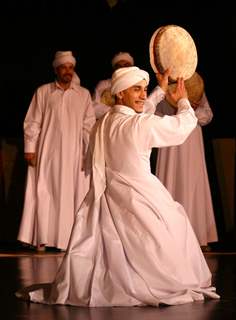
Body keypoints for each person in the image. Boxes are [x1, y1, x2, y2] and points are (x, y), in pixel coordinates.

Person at [16, 66, 219, 306]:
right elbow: (180, 127)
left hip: (111, 195)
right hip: (138, 193)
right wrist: (184, 102)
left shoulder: (106, 122)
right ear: (120, 93)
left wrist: (159, 91)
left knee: (116, 245)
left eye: (144, 89)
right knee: (172, 227)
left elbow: (140, 115)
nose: (143, 95)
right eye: (137, 89)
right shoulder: (137, 124)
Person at [17, 51, 96, 251]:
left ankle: (66, 241)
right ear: (56, 69)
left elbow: (89, 126)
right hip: (48, 151)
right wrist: (30, 148)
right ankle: (42, 238)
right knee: (46, 191)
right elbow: (32, 121)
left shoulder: (83, 94)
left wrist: (90, 152)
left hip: (74, 153)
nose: (68, 71)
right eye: (64, 67)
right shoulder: (43, 92)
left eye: (71, 67)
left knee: (71, 193)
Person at [153, 91, 218, 249]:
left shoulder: (196, 87)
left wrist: (190, 112)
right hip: (171, 138)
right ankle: (171, 237)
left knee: (192, 181)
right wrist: (175, 115)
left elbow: (207, 115)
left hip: (191, 137)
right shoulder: (164, 89)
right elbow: (154, 114)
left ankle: (197, 235)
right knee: (171, 181)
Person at [92, 51, 134, 119]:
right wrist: (116, 111)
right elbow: (94, 107)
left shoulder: (136, 85)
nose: (122, 68)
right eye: (119, 66)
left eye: (126, 65)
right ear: (114, 69)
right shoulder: (104, 84)